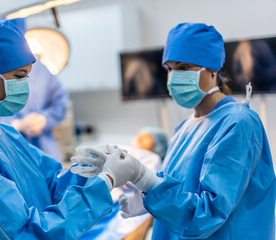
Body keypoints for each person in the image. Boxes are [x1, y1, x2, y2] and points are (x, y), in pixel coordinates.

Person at [71, 23, 275, 240]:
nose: (174, 76)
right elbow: (179, 187)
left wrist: (143, 176)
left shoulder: (238, 123)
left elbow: (207, 213)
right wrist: (146, 198)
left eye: (185, 68)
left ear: (213, 69)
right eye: (169, 69)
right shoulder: (186, 127)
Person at [0, 19, 116, 239]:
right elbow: (22, 232)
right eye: (19, 76)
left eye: (27, 76)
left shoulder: (7, 135)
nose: (25, 85)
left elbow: (52, 188)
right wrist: (105, 184)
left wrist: (93, 170)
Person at [0, 18, 69, 162]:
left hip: (45, 149)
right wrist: (12, 125)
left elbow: (61, 103)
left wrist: (44, 119)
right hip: (9, 150)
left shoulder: (40, 69)